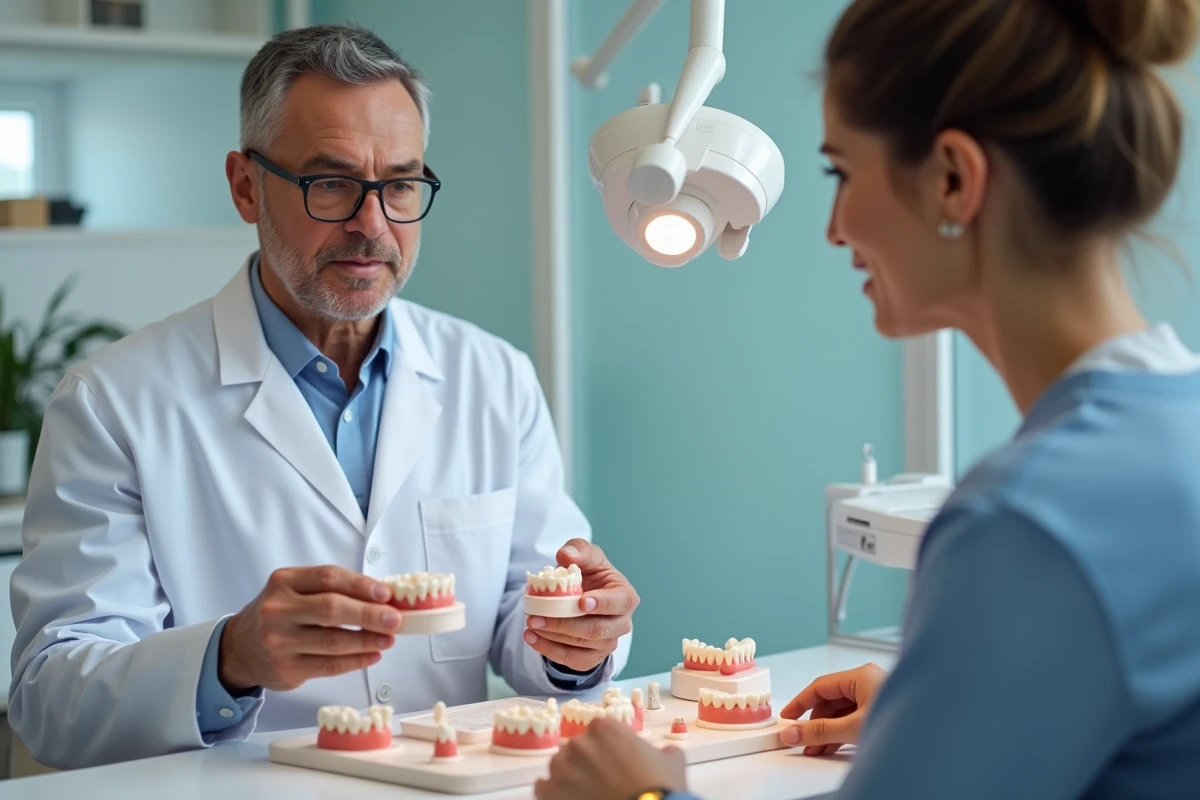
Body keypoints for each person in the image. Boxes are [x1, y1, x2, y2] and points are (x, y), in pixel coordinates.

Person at [536, 0, 1200, 798]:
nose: (834, 226)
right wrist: (941, 715)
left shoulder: (1026, 524)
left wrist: (644, 796)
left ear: (954, 178)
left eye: (841, 173)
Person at [9, 24, 638, 770]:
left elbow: (523, 624)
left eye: (400, 184)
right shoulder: (112, 402)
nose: (372, 227)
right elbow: (52, 700)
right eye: (331, 183)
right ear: (246, 187)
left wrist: (578, 636)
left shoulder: (493, 376)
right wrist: (229, 657)